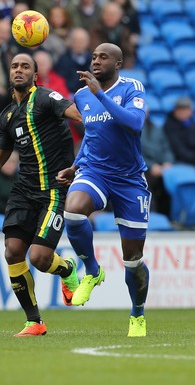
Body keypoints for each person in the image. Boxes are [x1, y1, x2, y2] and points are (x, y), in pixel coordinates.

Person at [0, 53, 82, 337]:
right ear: (9, 73)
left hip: (53, 191)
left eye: (25, 66)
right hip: (23, 191)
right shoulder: (7, 116)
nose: (19, 70)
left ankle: (67, 269)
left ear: (35, 75)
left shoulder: (49, 98)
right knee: (13, 252)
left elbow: (82, 117)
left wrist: (81, 160)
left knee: (38, 257)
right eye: (15, 66)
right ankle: (34, 321)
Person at [57, 43, 150, 337]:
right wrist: (76, 165)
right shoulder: (82, 95)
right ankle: (92, 270)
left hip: (129, 179)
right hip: (95, 170)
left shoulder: (131, 87)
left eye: (103, 57)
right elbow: (92, 135)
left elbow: (134, 124)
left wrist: (100, 93)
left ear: (118, 63)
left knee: (132, 260)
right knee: (72, 210)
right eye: (94, 56)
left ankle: (137, 314)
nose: (96, 61)